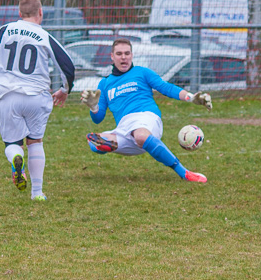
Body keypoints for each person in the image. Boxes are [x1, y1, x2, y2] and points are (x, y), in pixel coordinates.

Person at [0, 0, 76, 201]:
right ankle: (37, 193)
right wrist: (64, 89)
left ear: (19, 12)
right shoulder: (44, 36)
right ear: (40, 12)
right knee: (35, 141)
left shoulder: (5, 30)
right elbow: (67, 66)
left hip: (8, 96)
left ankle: (16, 157)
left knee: (12, 144)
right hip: (37, 96)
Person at [80, 38, 212, 183]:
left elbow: (166, 87)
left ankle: (184, 173)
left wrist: (191, 97)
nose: (123, 57)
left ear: (132, 55)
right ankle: (110, 144)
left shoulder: (142, 72)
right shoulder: (105, 83)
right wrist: (93, 107)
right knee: (93, 142)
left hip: (146, 118)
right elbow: (98, 118)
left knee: (141, 134)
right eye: (119, 54)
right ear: (112, 56)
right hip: (124, 128)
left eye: (127, 53)